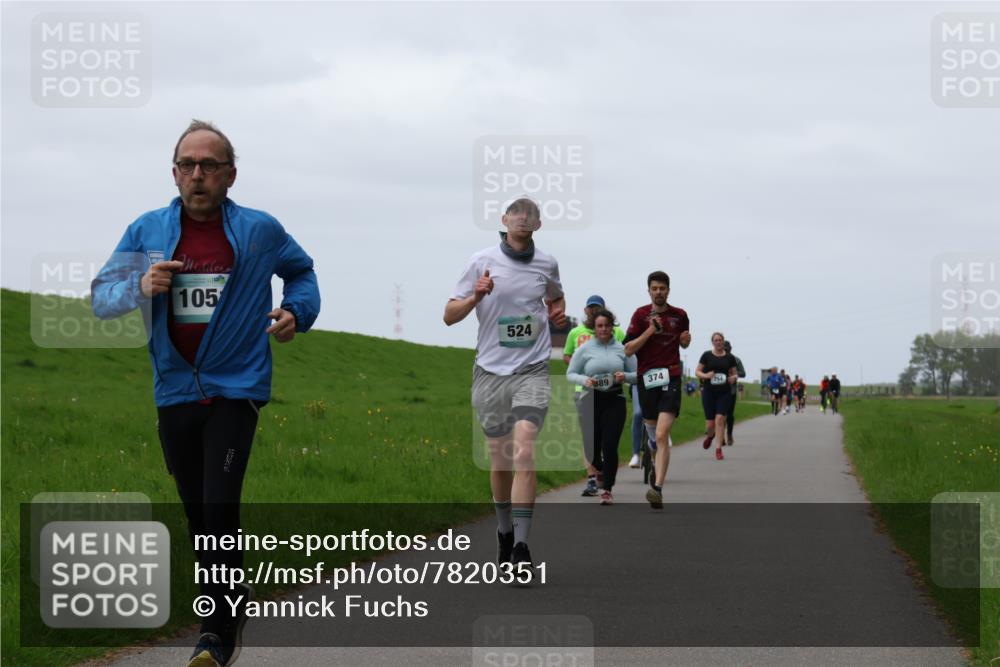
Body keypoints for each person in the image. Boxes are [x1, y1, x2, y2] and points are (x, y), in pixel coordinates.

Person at [91, 120, 321, 667]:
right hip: (173, 390)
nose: (198, 175)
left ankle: (214, 632)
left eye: (210, 165)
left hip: (235, 389)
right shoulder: (146, 229)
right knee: (198, 513)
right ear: (174, 173)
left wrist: (296, 312)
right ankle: (231, 598)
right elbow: (102, 298)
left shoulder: (260, 230)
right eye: (188, 165)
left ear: (229, 175)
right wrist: (140, 287)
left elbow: (303, 272)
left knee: (220, 505)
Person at [444, 197, 565, 581]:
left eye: (530, 215)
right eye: (517, 214)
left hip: (532, 369)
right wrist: (476, 296)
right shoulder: (481, 260)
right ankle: (504, 530)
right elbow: (449, 316)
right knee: (500, 461)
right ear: (504, 220)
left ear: (539, 224)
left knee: (525, 450)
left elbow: (556, 296)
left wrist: (558, 310)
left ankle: (522, 547)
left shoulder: (547, 263)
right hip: (489, 372)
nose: (523, 219)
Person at [624, 271, 691, 510]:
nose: (659, 292)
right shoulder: (640, 315)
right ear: (649, 290)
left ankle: (658, 488)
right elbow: (628, 349)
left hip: (671, 377)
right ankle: (653, 460)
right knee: (653, 437)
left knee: (662, 435)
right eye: (655, 288)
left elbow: (683, 343)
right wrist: (650, 331)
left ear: (668, 290)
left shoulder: (680, 315)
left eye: (663, 288)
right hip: (647, 379)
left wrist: (685, 340)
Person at [566, 309, 636, 505]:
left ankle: (607, 489)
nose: (604, 329)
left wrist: (626, 377)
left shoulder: (623, 349)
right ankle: (601, 469)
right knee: (591, 449)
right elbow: (570, 373)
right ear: (594, 328)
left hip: (615, 399)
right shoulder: (585, 349)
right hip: (590, 399)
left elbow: (638, 374)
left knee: (610, 445)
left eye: (607, 325)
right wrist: (585, 380)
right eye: (599, 326)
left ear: (612, 326)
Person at [696, 333, 738, 460]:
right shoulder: (706, 355)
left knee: (720, 419)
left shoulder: (730, 358)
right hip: (709, 392)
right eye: (716, 340)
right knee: (710, 424)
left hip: (724, 392)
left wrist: (733, 378)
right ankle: (710, 436)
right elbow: (697, 371)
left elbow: (735, 374)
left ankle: (718, 449)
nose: (718, 342)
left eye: (720, 340)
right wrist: (706, 375)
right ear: (712, 342)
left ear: (723, 342)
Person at [723, 340, 746, 445]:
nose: (726, 351)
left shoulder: (736, 360)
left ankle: (729, 434)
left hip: (731, 390)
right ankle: (720, 436)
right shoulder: (716, 358)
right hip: (716, 389)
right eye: (724, 349)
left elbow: (743, 373)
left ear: (730, 349)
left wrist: (734, 374)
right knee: (719, 414)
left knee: (729, 415)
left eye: (727, 349)